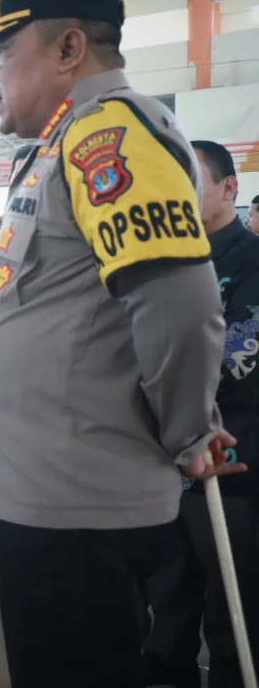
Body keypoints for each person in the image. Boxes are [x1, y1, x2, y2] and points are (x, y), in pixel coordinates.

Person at [0, 0, 246, 688]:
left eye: (2, 54)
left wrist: (189, 434)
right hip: (46, 491)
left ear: (69, 47)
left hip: (77, 497)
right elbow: (27, 295)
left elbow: (179, 304)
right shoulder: (61, 143)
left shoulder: (113, 131)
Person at [141, 140, 259, 688]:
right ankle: (169, 666)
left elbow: (239, 354)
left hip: (228, 453)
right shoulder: (165, 264)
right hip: (165, 459)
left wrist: (159, 388)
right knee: (168, 582)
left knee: (229, 590)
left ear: (228, 189)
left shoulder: (251, 260)